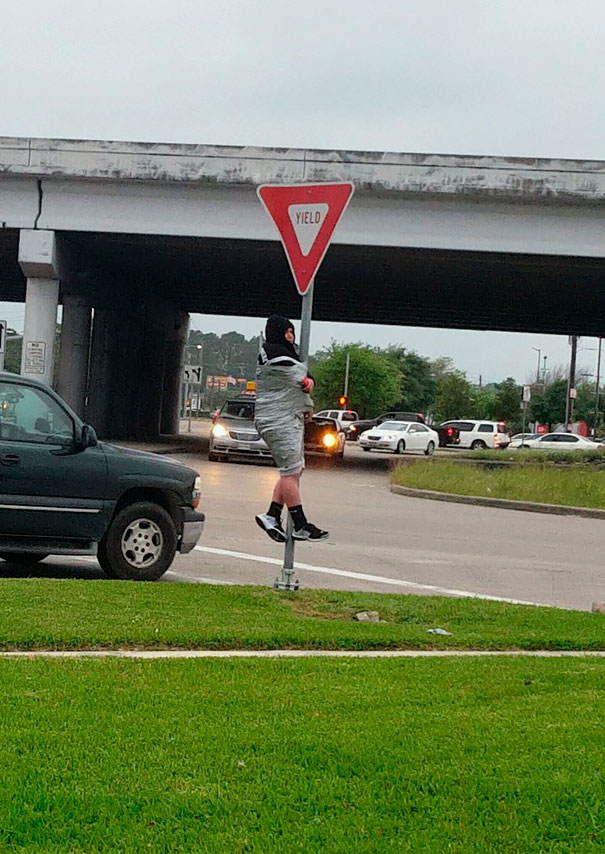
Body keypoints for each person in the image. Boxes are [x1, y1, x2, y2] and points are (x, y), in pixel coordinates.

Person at [254, 315, 329, 543]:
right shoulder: (272, 352)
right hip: (277, 420)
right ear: (277, 332)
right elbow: (297, 376)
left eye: (292, 332)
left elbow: (302, 376)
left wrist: (308, 383)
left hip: (286, 418)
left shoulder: (286, 355)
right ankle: (301, 524)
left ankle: (272, 514)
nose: (290, 337)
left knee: (294, 471)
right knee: (290, 472)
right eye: (287, 332)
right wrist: (307, 387)